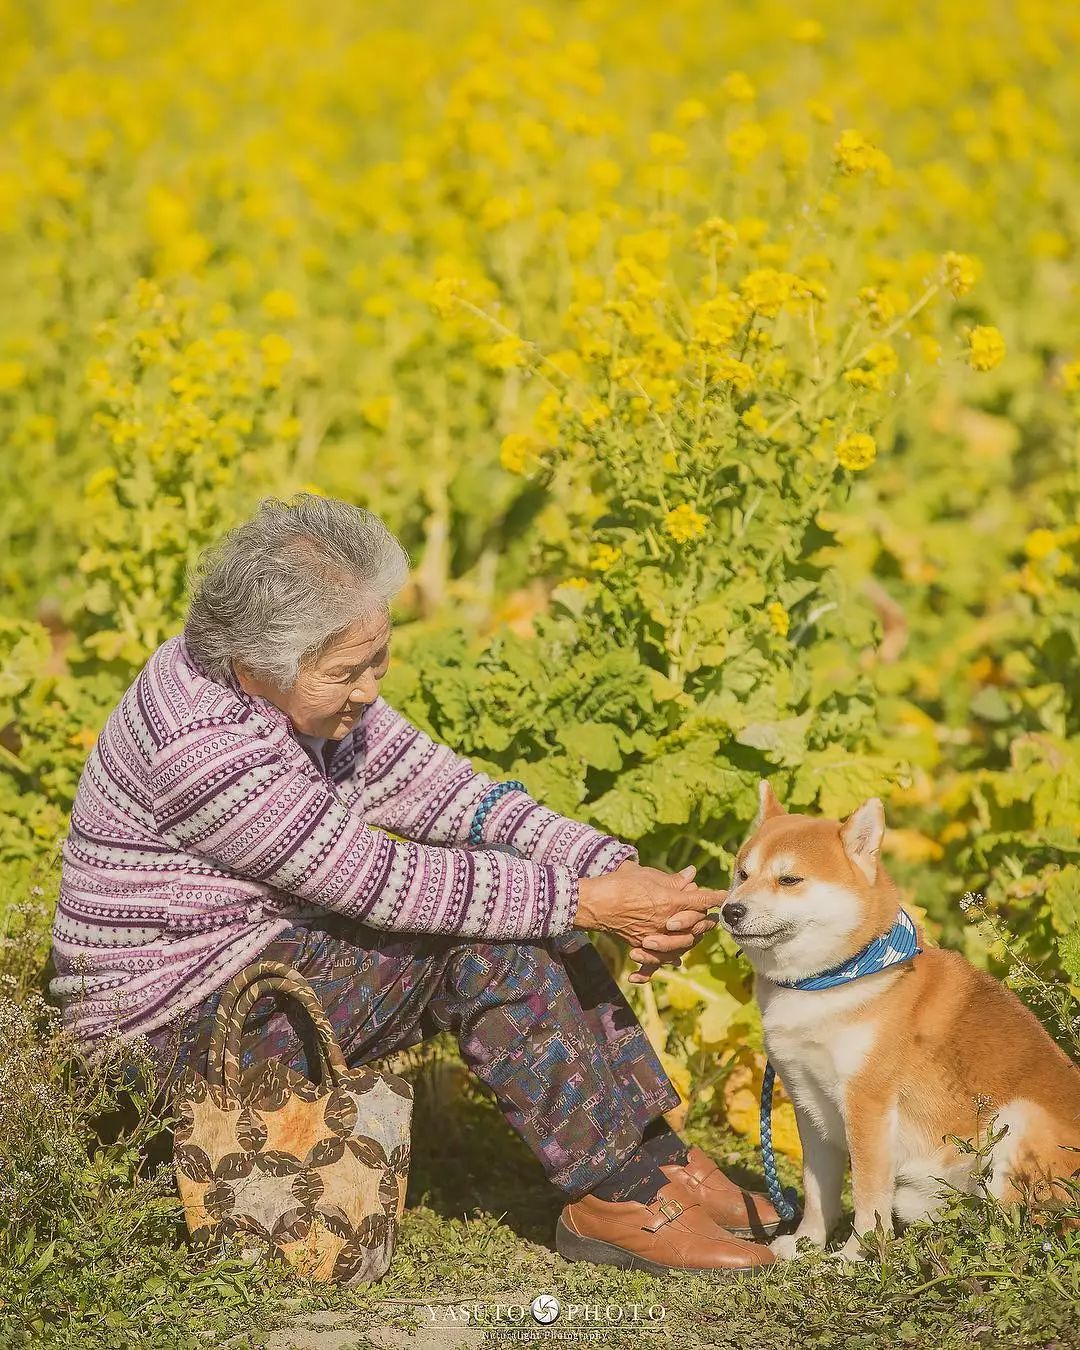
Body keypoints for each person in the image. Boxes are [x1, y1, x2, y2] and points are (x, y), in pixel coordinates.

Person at [50, 493, 778, 1274]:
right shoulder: (201, 749)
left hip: (248, 969)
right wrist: (592, 903)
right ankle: (616, 1202)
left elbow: (446, 793)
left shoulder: (295, 693)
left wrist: (608, 868)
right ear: (262, 660)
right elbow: (382, 880)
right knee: (482, 935)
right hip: (163, 1040)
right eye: (345, 673)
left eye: (377, 660)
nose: (368, 690)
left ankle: (653, 1159)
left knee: (528, 903)